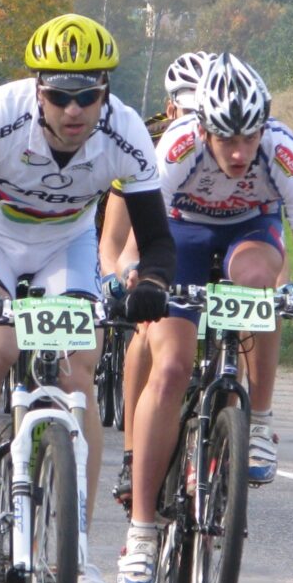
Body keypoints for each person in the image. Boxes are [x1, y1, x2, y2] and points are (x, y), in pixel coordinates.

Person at [0, 13, 176, 583]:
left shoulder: (127, 132)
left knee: (78, 371)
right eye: (59, 95)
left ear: (104, 93)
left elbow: (157, 238)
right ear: (37, 91)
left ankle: (75, 553)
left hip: (65, 241)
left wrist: (152, 282)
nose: (74, 110)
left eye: (88, 96)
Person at [115, 52, 293, 583]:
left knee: (260, 283)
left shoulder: (285, 154)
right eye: (224, 138)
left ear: (264, 128)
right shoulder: (176, 146)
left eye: (248, 138)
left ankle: (260, 419)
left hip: (251, 232)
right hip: (177, 236)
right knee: (173, 365)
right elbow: (137, 246)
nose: (237, 151)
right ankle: (142, 532)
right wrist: (135, 276)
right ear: (201, 127)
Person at [99, 50, 212, 513]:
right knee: (147, 332)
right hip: (158, 258)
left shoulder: (233, 153)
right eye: (189, 113)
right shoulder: (143, 157)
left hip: (216, 257)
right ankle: (132, 452)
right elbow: (114, 242)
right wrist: (123, 278)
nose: (198, 128)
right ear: (171, 111)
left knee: (246, 316)